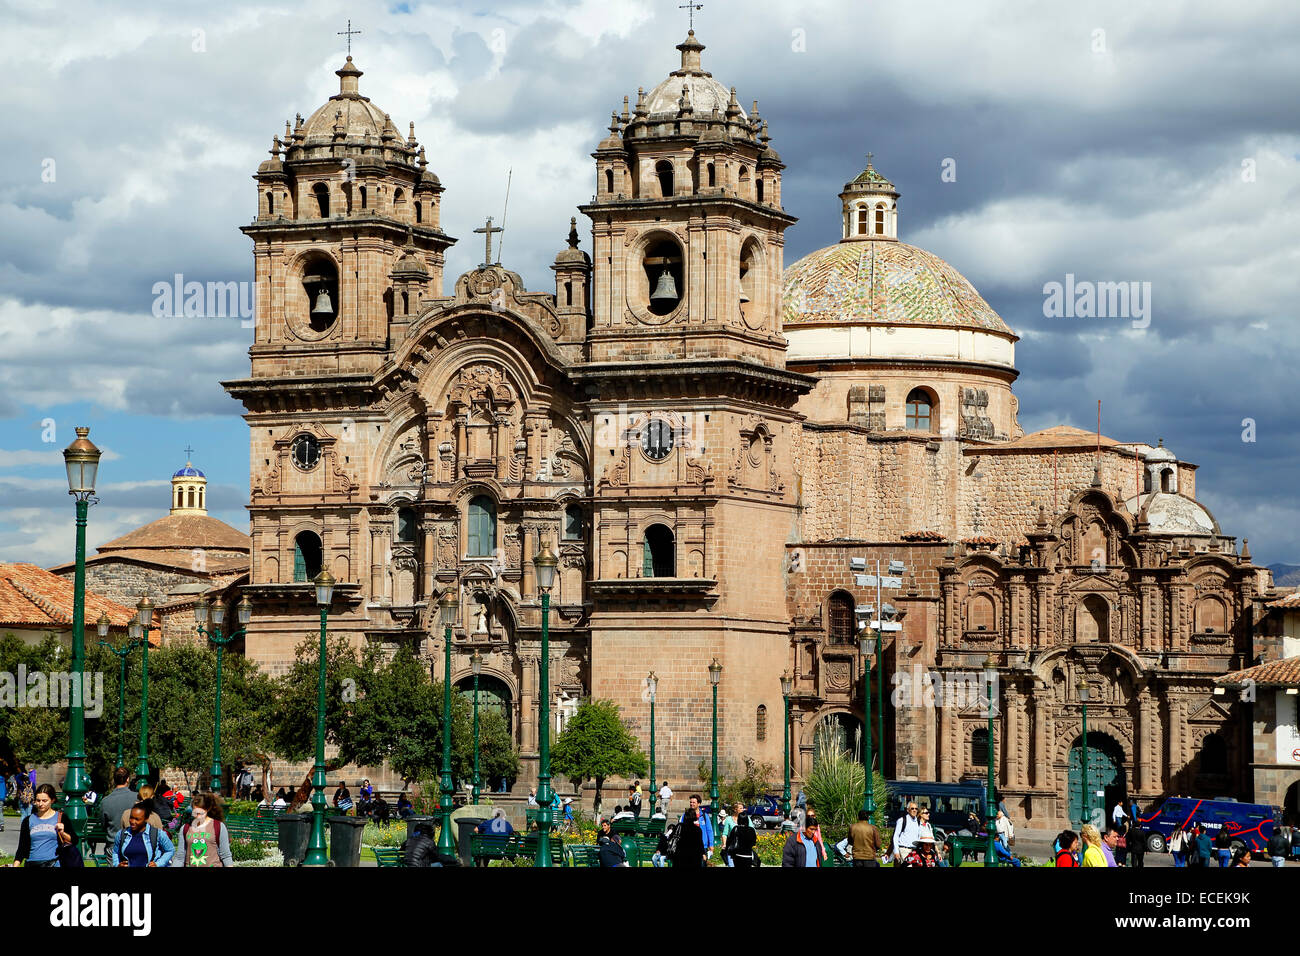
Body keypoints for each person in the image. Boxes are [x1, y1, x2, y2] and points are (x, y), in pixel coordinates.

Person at [11, 784, 73, 867]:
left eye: (44, 801)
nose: (40, 804)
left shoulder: (61, 818)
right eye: (38, 800)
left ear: (52, 800)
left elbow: (74, 840)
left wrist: (62, 833)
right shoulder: (28, 820)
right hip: (32, 863)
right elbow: (22, 846)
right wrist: (16, 864)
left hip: (53, 863)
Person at [175, 793, 233, 867]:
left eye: (200, 813)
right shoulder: (185, 828)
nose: (197, 816)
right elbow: (180, 857)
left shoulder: (218, 826)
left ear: (207, 809)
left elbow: (226, 855)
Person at [111, 804, 176, 868]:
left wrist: (158, 864)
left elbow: (170, 850)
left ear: (146, 819)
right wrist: (117, 864)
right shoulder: (122, 834)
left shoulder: (158, 834)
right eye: (131, 817)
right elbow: (115, 852)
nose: (132, 821)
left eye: (137, 819)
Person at [99, 766, 135, 848]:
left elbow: (103, 824)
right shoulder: (136, 798)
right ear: (127, 779)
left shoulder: (105, 801)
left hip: (113, 843)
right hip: (133, 843)